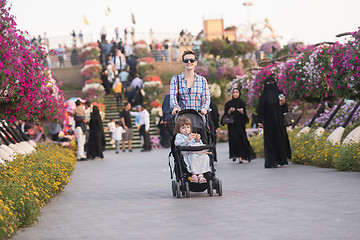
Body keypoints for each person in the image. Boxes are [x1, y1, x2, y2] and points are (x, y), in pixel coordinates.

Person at [257, 77, 291, 168]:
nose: (270, 84)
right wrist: (259, 120)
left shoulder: (274, 95)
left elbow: (261, 109)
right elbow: (261, 109)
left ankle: (277, 160)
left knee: (274, 140)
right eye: (269, 83)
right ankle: (277, 160)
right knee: (276, 140)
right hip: (274, 122)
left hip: (274, 122)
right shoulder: (273, 95)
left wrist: (283, 103)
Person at [170, 50, 210, 116]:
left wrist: (204, 108)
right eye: (186, 60)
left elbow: (206, 98)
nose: (189, 62)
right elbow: (173, 97)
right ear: (183, 63)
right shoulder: (176, 79)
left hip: (198, 117)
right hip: (182, 118)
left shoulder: (202, 80)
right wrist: (175, 107)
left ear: (196, 62)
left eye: (192, 60)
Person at [174, 117, 211, 183]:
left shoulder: (192, 135)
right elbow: (177, 143)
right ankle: (194, 175)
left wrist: (197, 140)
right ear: (179, 129)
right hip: (188, 153)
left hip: (197, 152)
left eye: (188, 127)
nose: (186, 129)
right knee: (193, 156)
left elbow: (199, 145)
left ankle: (201, 175)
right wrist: (187, 139)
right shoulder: (179, 136)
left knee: (205, 157)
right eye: (183, 128)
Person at [224, 88, 256, 163]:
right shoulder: (228, 103)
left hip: (240, 125)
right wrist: (230, 111)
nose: (235, 94)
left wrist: (241, 112)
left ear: (239, 93)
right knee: (233, 140)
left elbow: (245, 115)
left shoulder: (241, 102)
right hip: (232, 125)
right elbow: (226, 114)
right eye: (234, 92)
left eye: (236, 92)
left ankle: (242, 156)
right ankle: (235, 155)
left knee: (242, 139)